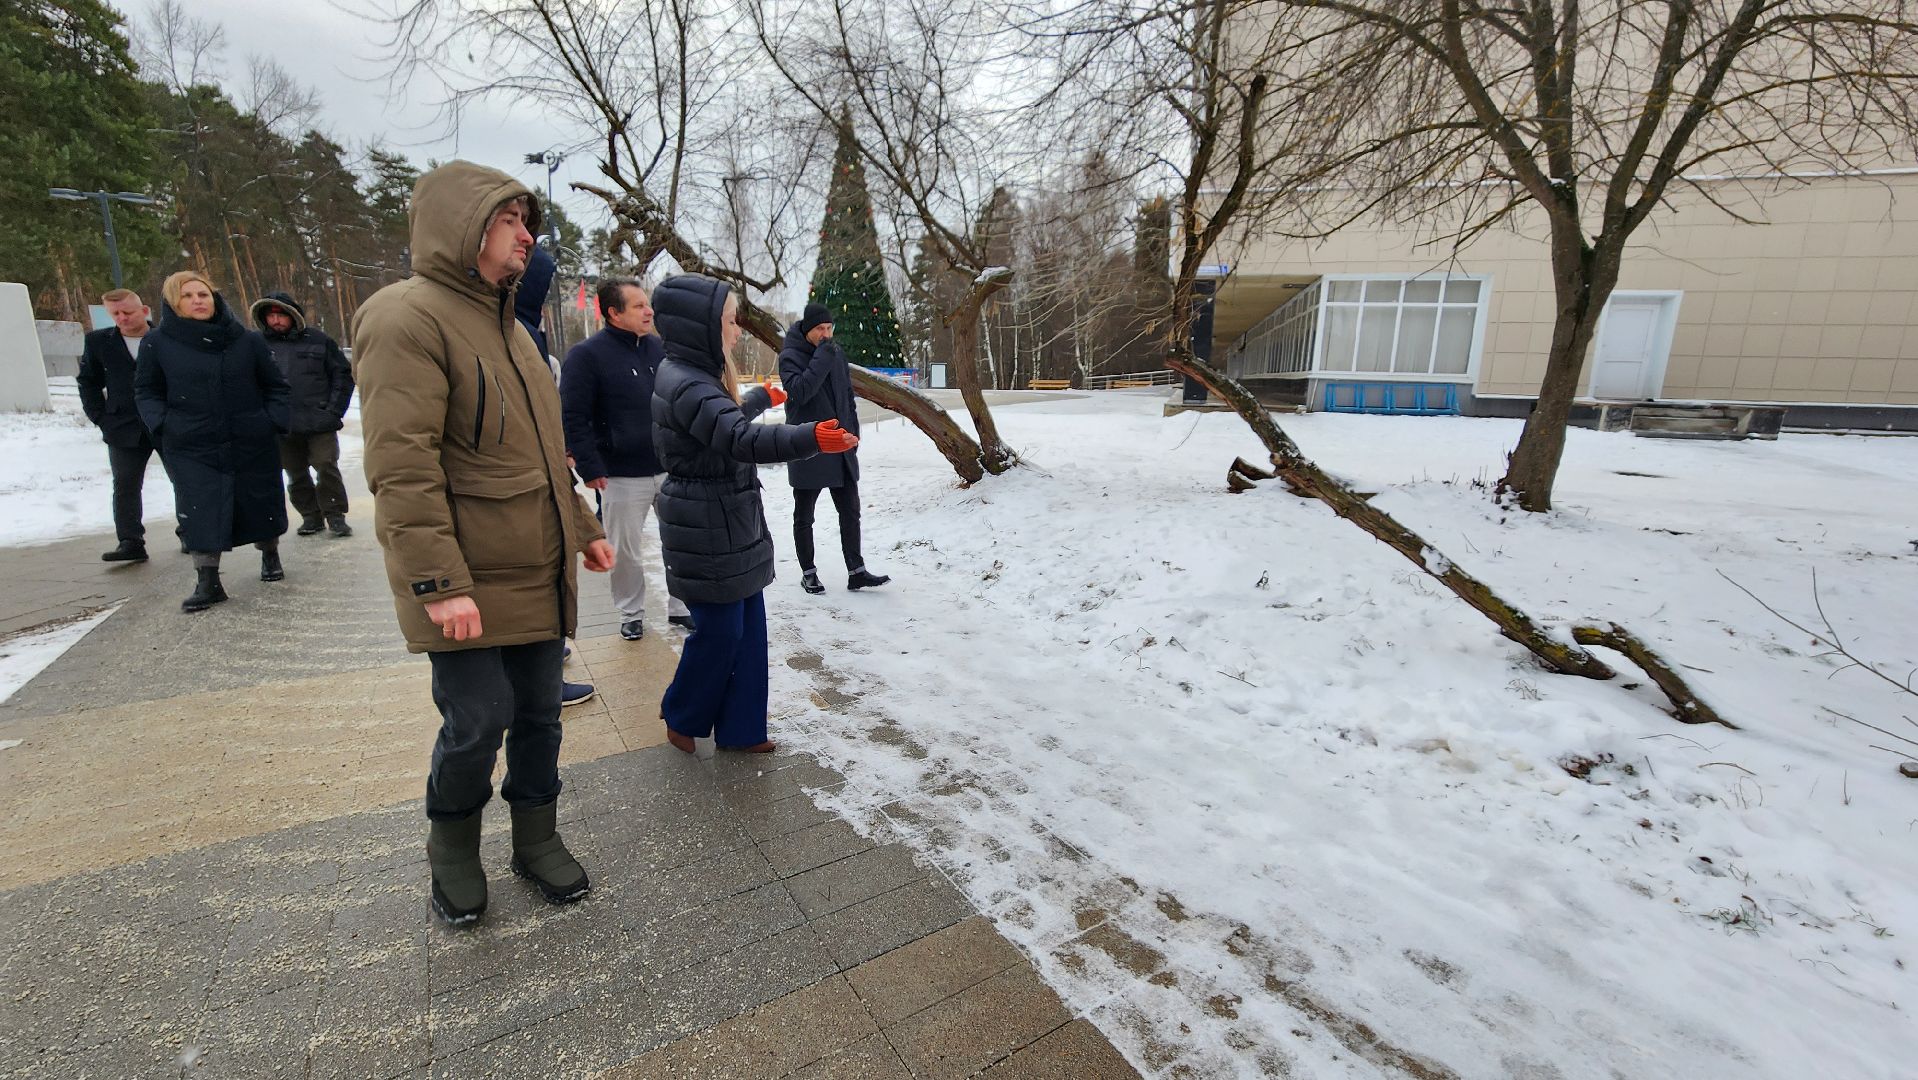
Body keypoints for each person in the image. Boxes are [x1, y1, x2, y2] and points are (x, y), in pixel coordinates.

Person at [352, 161, 614, 926]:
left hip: (534, 567)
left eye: (527, 222)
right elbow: (401, 467)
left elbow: (540, 454)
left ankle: (536, 840)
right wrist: (439, 582)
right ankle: (453, 853)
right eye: (509, 219)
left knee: (538, 713)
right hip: (465, 577)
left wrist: (585, 531)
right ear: (461, 225)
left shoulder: (516, 334)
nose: (526, 235)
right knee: (478, 721)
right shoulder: (405, 317)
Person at [651, 274, 858, 754]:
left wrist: (759, 398)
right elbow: (740, 440)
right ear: (700, 325)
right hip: (704, 521)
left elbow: (723, 419)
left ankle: (742, 730)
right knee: (721, 633)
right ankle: (682, 710)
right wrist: (811, 437)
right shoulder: (686, 382)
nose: (737, 330)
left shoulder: (697, 376)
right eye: (728, 321)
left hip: (729, 516)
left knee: (748, 631)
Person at [134, 271, 291, 612]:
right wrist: (163, 424)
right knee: (199, 507)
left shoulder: (247, 341)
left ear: (215, 298)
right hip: (192, 442)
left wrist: (270, 421)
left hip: (249, 437)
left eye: (203, 294)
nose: (197, 301)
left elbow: (275, 386)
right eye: (187, 296)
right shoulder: (157, 344)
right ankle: (208, 579)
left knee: (258, 500)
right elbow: (146, 390)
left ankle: (270, 553)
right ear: (174, 303)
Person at [562, 277, 692, 642]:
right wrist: (589, 466)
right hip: (619, 474)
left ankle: (681, 605)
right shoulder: (587, 356)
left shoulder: (660, 350)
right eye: (638, 305)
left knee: (680, 542)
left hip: (669, 467)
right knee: (626, 549)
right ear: (613, 313)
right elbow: (573, 415)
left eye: (647, 303)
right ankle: (631, 612)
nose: (648, 310)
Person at [514, 244, 596, 708]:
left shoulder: (528, 332)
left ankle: (544, 662)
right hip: (518, 486)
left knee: (547, 575)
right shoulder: (512, 333)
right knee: (534, 575)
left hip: (543, 478)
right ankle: (538, 679)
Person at [779, 303, 889, 594]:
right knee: (805, 515)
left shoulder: (835, 353)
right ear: (807, 330)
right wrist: (821, 358)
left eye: (829, 328)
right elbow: (800, 393)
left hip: (841, 445)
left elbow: (846, 395)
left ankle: (857, 570)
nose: (826, 334)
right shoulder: (790, 356)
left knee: (850, 510)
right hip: (808, 444)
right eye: (820, 329)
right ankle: (808, 572)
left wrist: (854, 432)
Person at [250, 292, 354, 538]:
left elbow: (342, 375)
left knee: (326, 465)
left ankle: (335, 515)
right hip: (282, 423)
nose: (276, 320)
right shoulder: (257, 346)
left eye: (280, 315)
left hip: (319, 420)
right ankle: (311, 515)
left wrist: (334, 410)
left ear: (293, 315)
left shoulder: (319, 340)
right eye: (271, 316)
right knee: (295, 473)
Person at [77, 289, 160, 562]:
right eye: (115, 314)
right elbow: (88, 382)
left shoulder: (165, 338)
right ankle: (130, 541)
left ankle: (189, 532)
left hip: (165, 423)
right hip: (122, 427)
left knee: (182, 479)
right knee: (125, 484)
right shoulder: (99, 342)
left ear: (144, 310)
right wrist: (100, 417)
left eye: (128, 312)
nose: (122, 318)